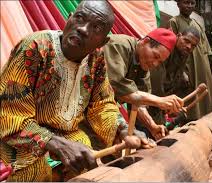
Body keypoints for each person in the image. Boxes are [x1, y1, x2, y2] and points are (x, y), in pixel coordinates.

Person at [0, 1, 149, 181]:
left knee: (86, 154)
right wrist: (54, 143)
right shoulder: (35, 47)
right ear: (69, 18)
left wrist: (123, 129)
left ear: (103, 41)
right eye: (79, 18)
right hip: (18, 139)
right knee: (34, 171)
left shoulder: (96, 59)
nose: (83, 29)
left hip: (67, 134)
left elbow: (101, 104)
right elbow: (9, 115)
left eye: (96, 27)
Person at [104, 28, 183, 140]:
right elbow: (115, 85)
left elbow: (138, 102)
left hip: (102, 111)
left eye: (160, 62)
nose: (155, 64)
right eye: (155, 56)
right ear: (145, 41)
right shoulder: (118, 46)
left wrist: (152, 126)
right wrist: (160, 101)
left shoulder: (143, 67)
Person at [168, 0, 212, 121]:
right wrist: (182, 72)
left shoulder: (197, 23)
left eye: (192, 3)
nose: (189, 6)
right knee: (189, 98)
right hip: (188, 68)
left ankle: (205, 125)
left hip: (202, 67)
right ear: (178, 4)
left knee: (205, 97)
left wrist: (209, 72)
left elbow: (206, 49)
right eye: (186, 2)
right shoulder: (174, 21)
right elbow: (173, 48)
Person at [148, 27, 200, 130]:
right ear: (179, 36)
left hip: (162, 95)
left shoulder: (184, 53)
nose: (189, 47)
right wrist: (165, 104)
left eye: (193, 45)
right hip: (151, 92)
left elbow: (175, 77)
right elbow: (156, 79)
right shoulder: (166, 47)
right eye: (186, 41)